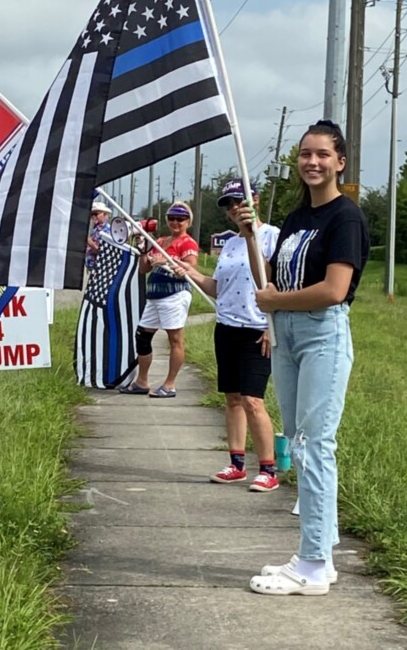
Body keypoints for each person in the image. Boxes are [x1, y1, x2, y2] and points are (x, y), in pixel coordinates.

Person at [238, 120, 369, 596]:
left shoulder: (345, 217)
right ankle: (320, 556)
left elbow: (334, 290)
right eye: (305, 154)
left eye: (322, 154)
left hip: (321, 335)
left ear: (340, 162)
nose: (312, 162)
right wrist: (249, 236)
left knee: (315, 445)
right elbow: (269, 284)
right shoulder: (296, 220)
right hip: (287, 336)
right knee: (299, 443)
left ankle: (312, 564)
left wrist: (277, 302)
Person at [176, 178, 280, 491]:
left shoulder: (272, 236)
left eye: (239, 201)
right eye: (229, 204)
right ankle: (236, 464)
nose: (235, 208)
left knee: (253, 400)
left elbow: (276, 284)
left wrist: (271, 325)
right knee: (233, 398)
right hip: (227, 328)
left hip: (257, 330)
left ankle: (269, 469)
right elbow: (218, 288)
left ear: (255, 200)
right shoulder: (231, 244)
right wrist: (192, 273)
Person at [118, 202, 198, 398]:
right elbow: (144, 269)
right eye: (171, 218)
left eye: (180, 219)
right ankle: (142, 381)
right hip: (154, 296)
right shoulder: (160, 241)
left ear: (188, 221)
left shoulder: (187, 243)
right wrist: (143, 251)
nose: (175, 222)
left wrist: (167, 261)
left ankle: (170, 384)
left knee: (175, 339)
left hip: (174, 294)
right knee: (142, 336)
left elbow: (190, 268)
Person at [85, 201, 112, 270]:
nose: (93, 216)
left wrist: (90, 243)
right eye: (92, 214)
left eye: (96, 214)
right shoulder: (95, 228)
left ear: (104, 214)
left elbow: (104, 251)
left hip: (98, 267)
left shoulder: (107, 230)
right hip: (89, 264)